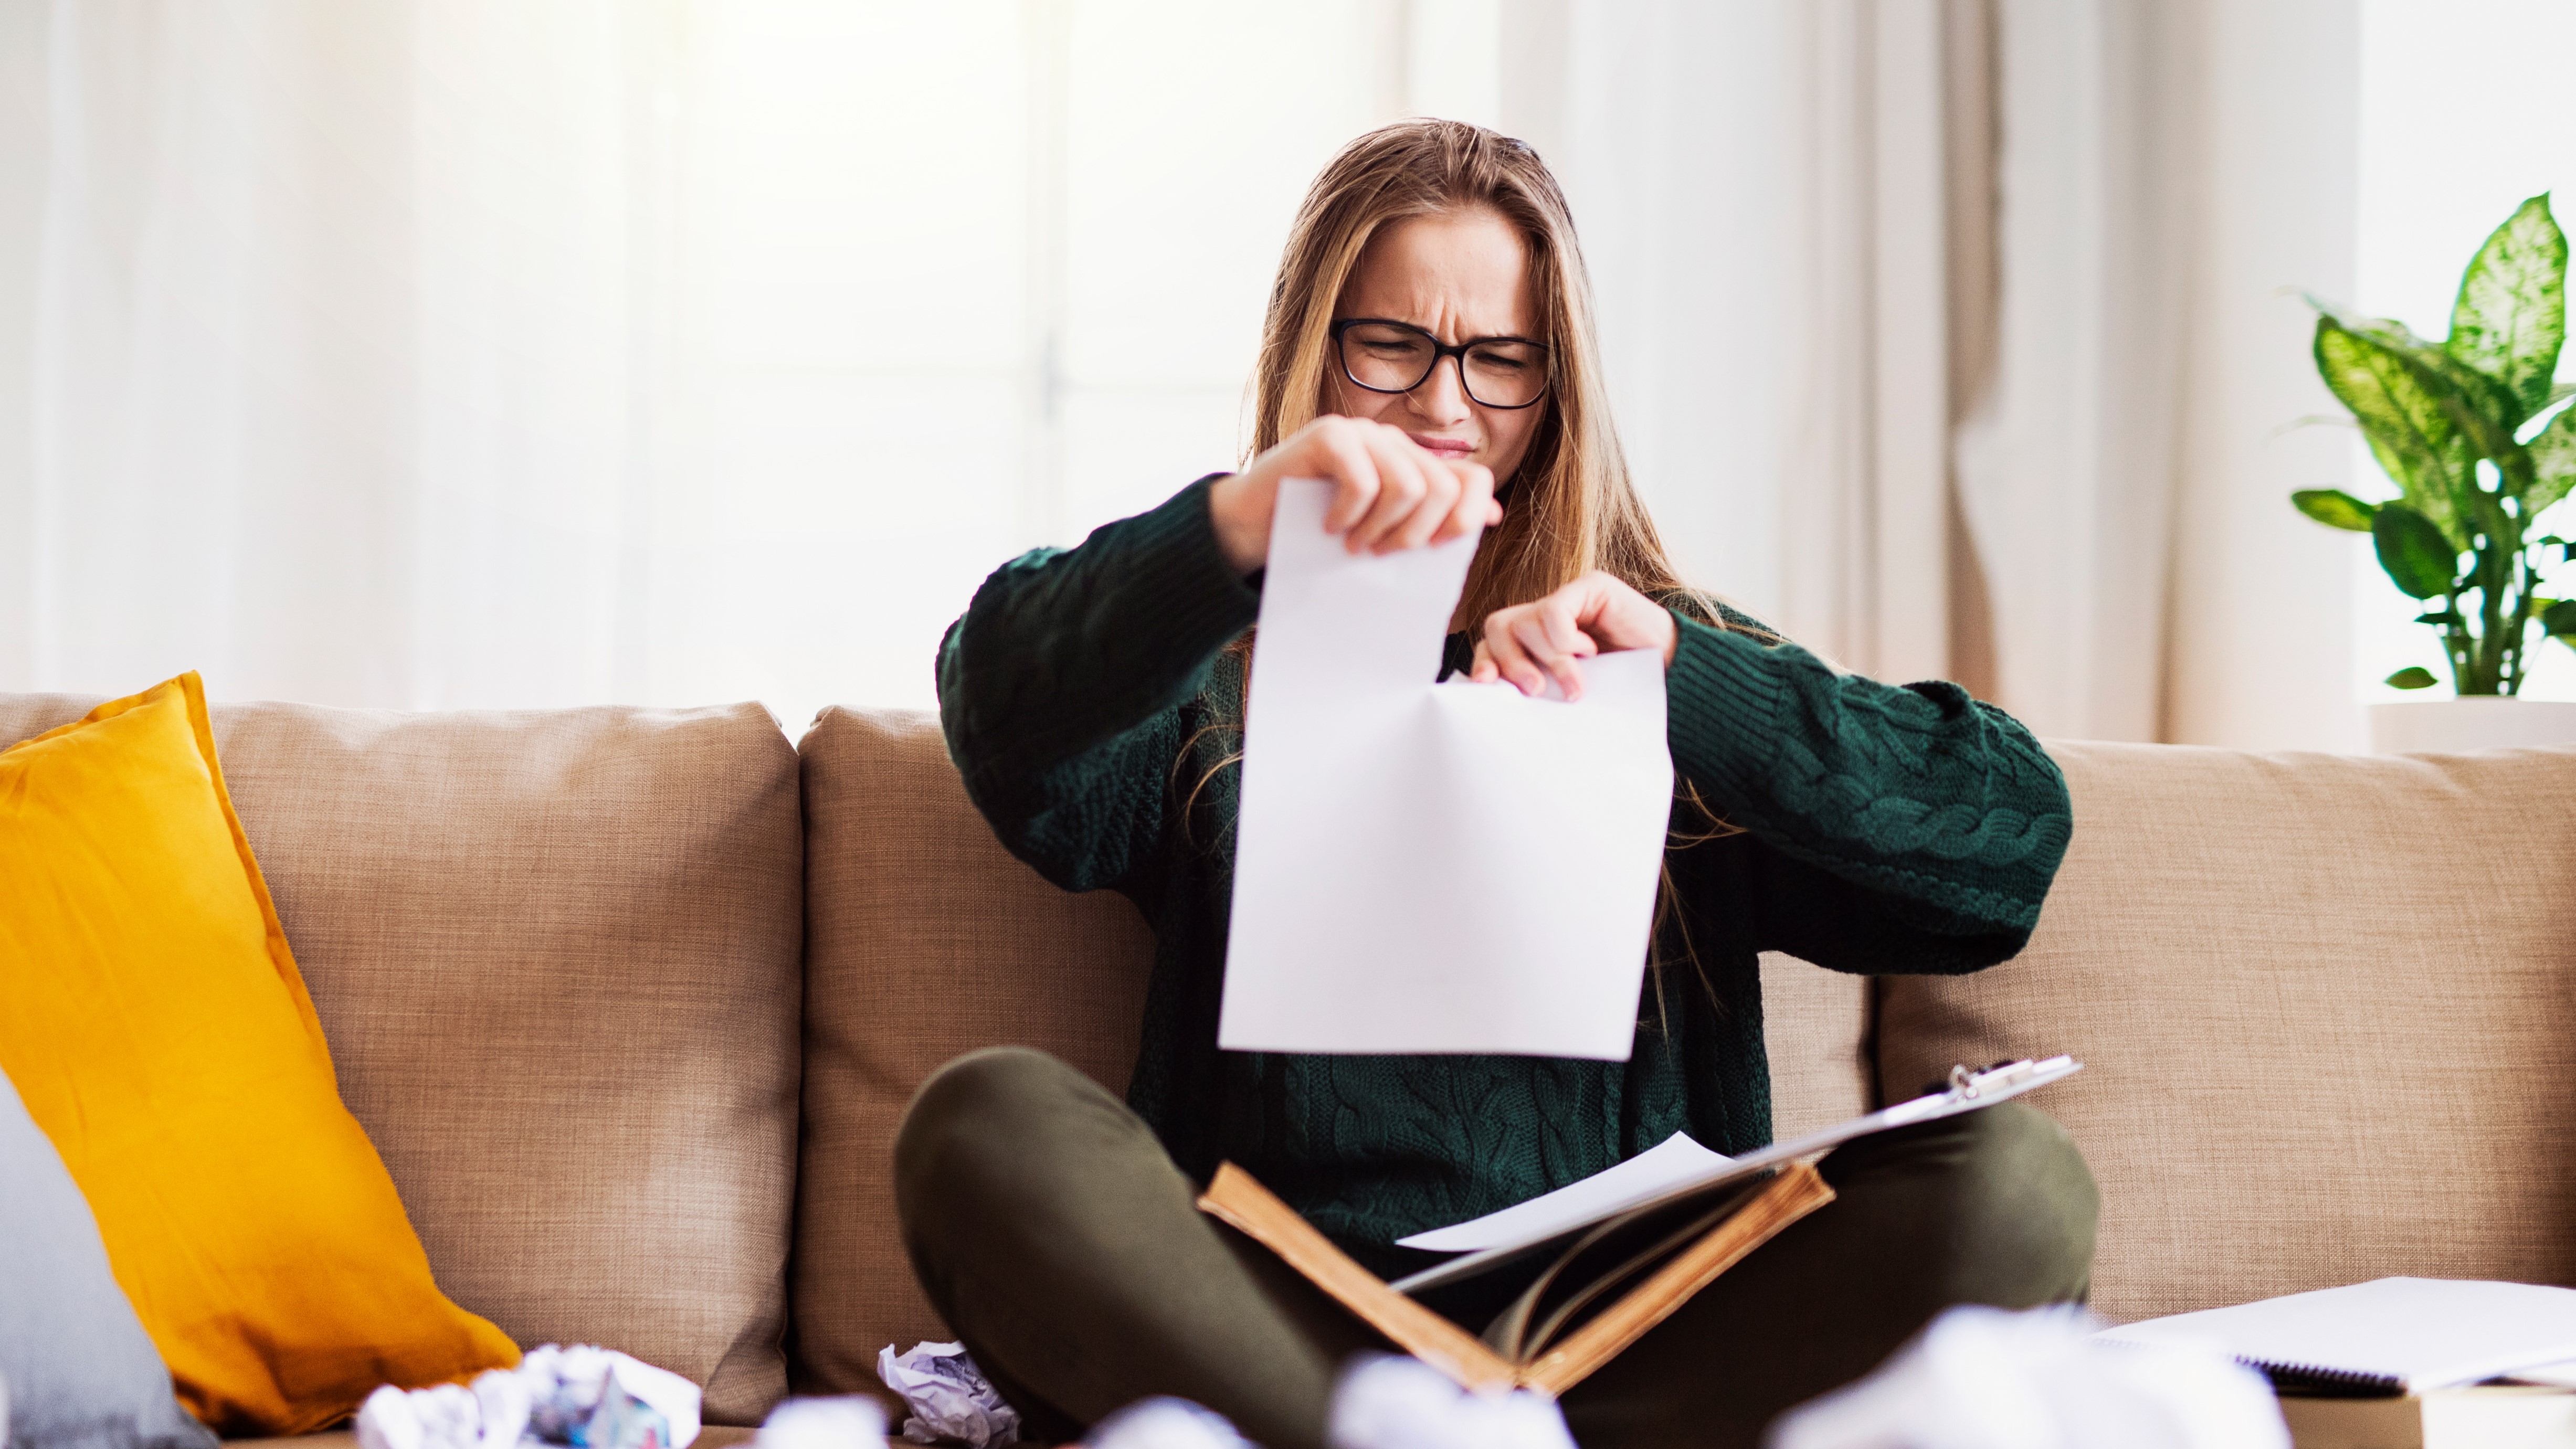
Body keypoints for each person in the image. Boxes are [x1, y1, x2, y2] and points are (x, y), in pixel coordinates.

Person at [898, 119, 2095, 1449]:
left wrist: (1688, 683)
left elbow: (2008, 848)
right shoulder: (1212, 665)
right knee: (984, 1124)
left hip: (1632, 1324)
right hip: (1277, 1322)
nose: (1444, 404)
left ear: (1557, 381)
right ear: (1315, 346)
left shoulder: (1660, 654)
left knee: (2020, 1186)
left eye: (1501, 360)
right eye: (1391, 345)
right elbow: (1002, 714)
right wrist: (1238, 528)